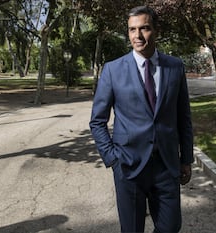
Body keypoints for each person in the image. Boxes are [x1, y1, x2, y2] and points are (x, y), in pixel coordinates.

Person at [89, 5, 194, 233]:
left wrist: (186, 158)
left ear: (156, 30)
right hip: (128, 166)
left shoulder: (175, 67)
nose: (137, 36)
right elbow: (97, 121)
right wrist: (112, 158)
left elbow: (183, 117)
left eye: (144, 28)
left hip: (166, 165)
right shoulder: (112, 70)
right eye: (132, 29)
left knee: (170, 227)